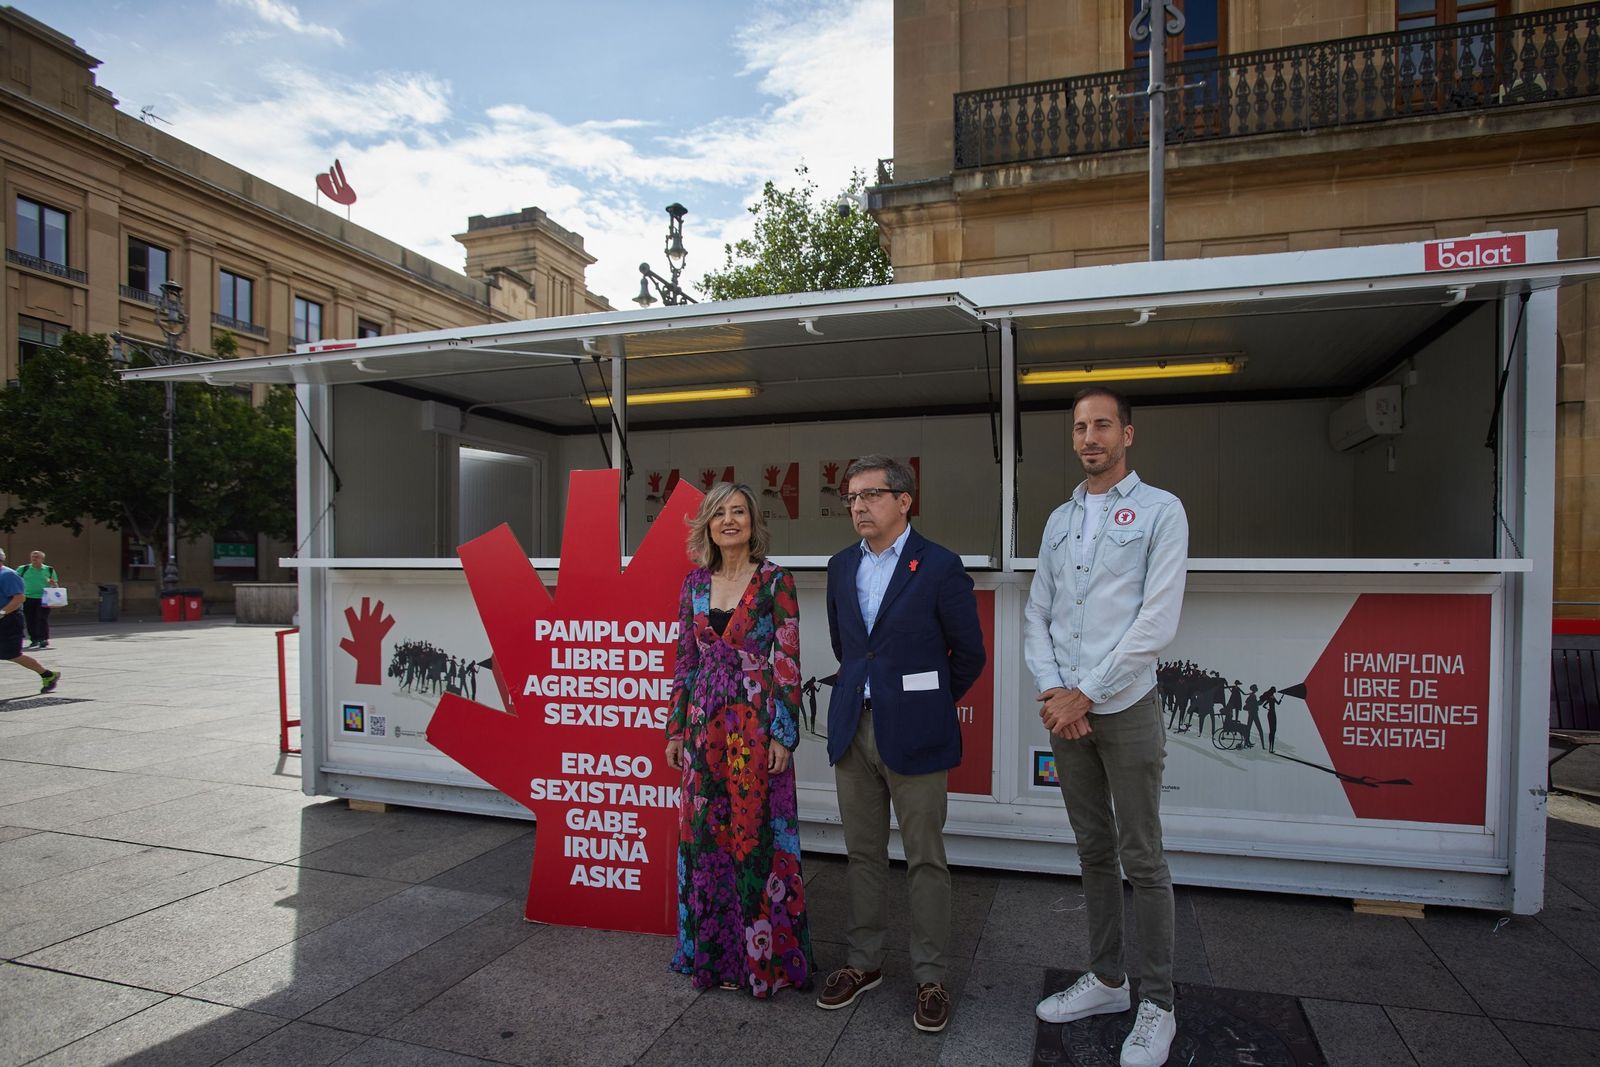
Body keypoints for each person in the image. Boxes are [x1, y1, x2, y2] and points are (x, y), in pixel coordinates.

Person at [1026, 387, 1188, 1067]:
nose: (1089, 436)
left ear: (1128, 434)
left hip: (1123, 707)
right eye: (1079, 427)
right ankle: (1108, 980)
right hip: (1069, 710)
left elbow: (1157, 619)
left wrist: (1085, 693)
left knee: (1142, 856)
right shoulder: (1060, 520)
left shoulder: (1161, 511)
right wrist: (1053, 690)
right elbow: (1038, 612)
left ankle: (1159, 1003)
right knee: (1093, 851)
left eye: (1102, 426)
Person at [815, 455, 986, 1034]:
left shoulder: (938, 565)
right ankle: (864, 964)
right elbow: (848, 646)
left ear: (905, 500)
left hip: (915, 733)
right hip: (852, 730)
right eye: (851, 497)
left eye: (872, 494)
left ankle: (930, 975)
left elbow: (969, 654)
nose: (859, 506)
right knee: (862, 854)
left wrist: (925, 700)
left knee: (924, 858)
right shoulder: (841, 566)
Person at [665, 482, 814, 997]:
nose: (730, 520)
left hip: (754, 725)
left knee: (754, 839)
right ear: (707, 524)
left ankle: (762, 963)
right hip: (703, 726)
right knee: (704, 839)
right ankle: (713, 957)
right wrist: (675, 729)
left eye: (739, 512)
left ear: (753, 521)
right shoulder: (693, 584)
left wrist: (784, 734)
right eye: (719, 513)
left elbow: (789, 661)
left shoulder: (776, 581)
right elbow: (685, 658)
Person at [1, 548, 61, 694]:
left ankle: (47, 674)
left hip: (8, 620)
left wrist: (2, 612)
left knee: (12, 655)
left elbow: (19, 598)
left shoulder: (8, 575)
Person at [17, 549, 59, 650]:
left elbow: (55, 584)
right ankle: (34, 639)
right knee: (30, 619)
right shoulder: (23, 569)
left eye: (37, 557)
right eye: (33, 557)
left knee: (42, 618)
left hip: (44, 598)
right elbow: (15, 581)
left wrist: (53, 584)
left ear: (42, 559)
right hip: (27, 597)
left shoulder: (49, 569)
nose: (34, 559)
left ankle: (43, 639)